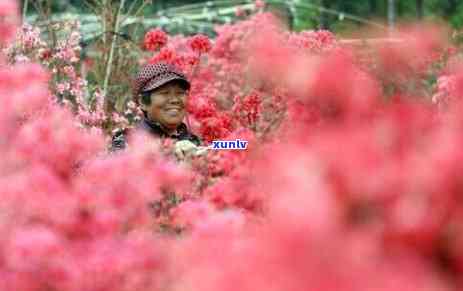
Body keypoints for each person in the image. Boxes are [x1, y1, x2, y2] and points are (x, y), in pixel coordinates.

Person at [111, 62, 203, 158]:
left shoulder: (193, 140)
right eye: (165, 93)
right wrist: (167, 152)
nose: (175, 100)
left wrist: (214, 149)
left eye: (180, 93)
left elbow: (216, 146)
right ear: (143, 102)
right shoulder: (124, 141)